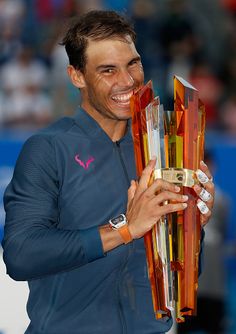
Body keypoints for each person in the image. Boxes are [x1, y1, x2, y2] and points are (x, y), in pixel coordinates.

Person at [2, 10, 215, 334]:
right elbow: (21, 254)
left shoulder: (162, 150)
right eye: (108, 70)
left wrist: (190, 228)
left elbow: (174, 276)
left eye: (133, 63)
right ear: (77, 76)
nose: (127, 81)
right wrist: (126, 228)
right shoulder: (48, 149)